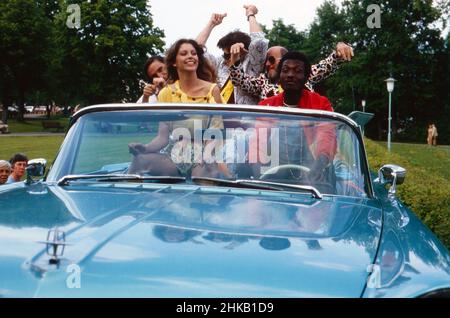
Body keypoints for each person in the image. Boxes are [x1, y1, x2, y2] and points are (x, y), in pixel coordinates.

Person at [128, 39, 225, 178]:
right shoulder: (165, 93)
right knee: (140, 160)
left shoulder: (212, 90)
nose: (190, 56)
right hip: (173, 155)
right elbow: (162, 138)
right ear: (174, 62)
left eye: (194, 53)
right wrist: (144, 148)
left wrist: (207, 155)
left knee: (208, 173)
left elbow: (216, 132)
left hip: (203, 155)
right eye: (184, 53)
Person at [257, 51, 337, 183]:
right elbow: (257, 144)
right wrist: (258, 176)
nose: (290, 75)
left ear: (306, 77)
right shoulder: (266, 105)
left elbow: (327, 137)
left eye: (298, 71)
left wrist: (319, 166)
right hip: (271, 174)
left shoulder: (321, 103)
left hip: (314, 173)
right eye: (285, 70)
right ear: (279, 75)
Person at [229, 42, 354, 101]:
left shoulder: (304, 74)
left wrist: (341, 48)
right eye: (266, 60)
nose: (267, 64)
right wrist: (235, 59)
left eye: (271, 60)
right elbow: (239, 81)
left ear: (285, 61)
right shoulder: (262, 82)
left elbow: (328, 65)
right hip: (273, 139)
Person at [196, 5, 269, 104]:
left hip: (245, 118)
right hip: (219, 116)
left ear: (244, 51)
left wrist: (250, 15)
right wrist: (211, 24)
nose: (227, 58)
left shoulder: (253, 63)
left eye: (230, 54)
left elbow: (260, 42)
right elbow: (196, 50)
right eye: (225, 54)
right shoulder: (220, 63)